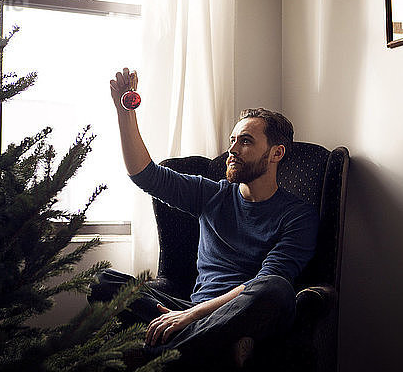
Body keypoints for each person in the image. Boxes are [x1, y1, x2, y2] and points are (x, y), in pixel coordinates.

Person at [88, 68, 319, 370]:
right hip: (193, 311)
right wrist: (124, 112)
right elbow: (146, 175)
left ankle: (157, 358)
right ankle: (215, 348)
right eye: (232, 140)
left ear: (276, 153)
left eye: (245, 142)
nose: (232, 150)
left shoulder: (298, 215)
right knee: (103, 282)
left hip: (240, 313)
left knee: (275, 288)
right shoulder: (210, 194)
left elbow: (265, 282)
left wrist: (189, 317)